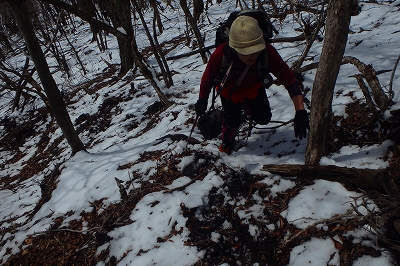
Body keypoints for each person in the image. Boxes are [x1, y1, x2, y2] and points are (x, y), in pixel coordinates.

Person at [195, 15, 309, 154]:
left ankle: (246, 108)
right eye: (246, 52)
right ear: (235, 48)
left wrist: (300, 111)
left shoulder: (267, 53)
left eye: (256, 49)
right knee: (232, 120)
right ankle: (227, 141)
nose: (253, 55)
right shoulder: (221, 54)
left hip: (253, 88)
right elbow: (207, 78)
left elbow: (289, 80)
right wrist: (202, 100)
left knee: (264, 118)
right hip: (229, 91)